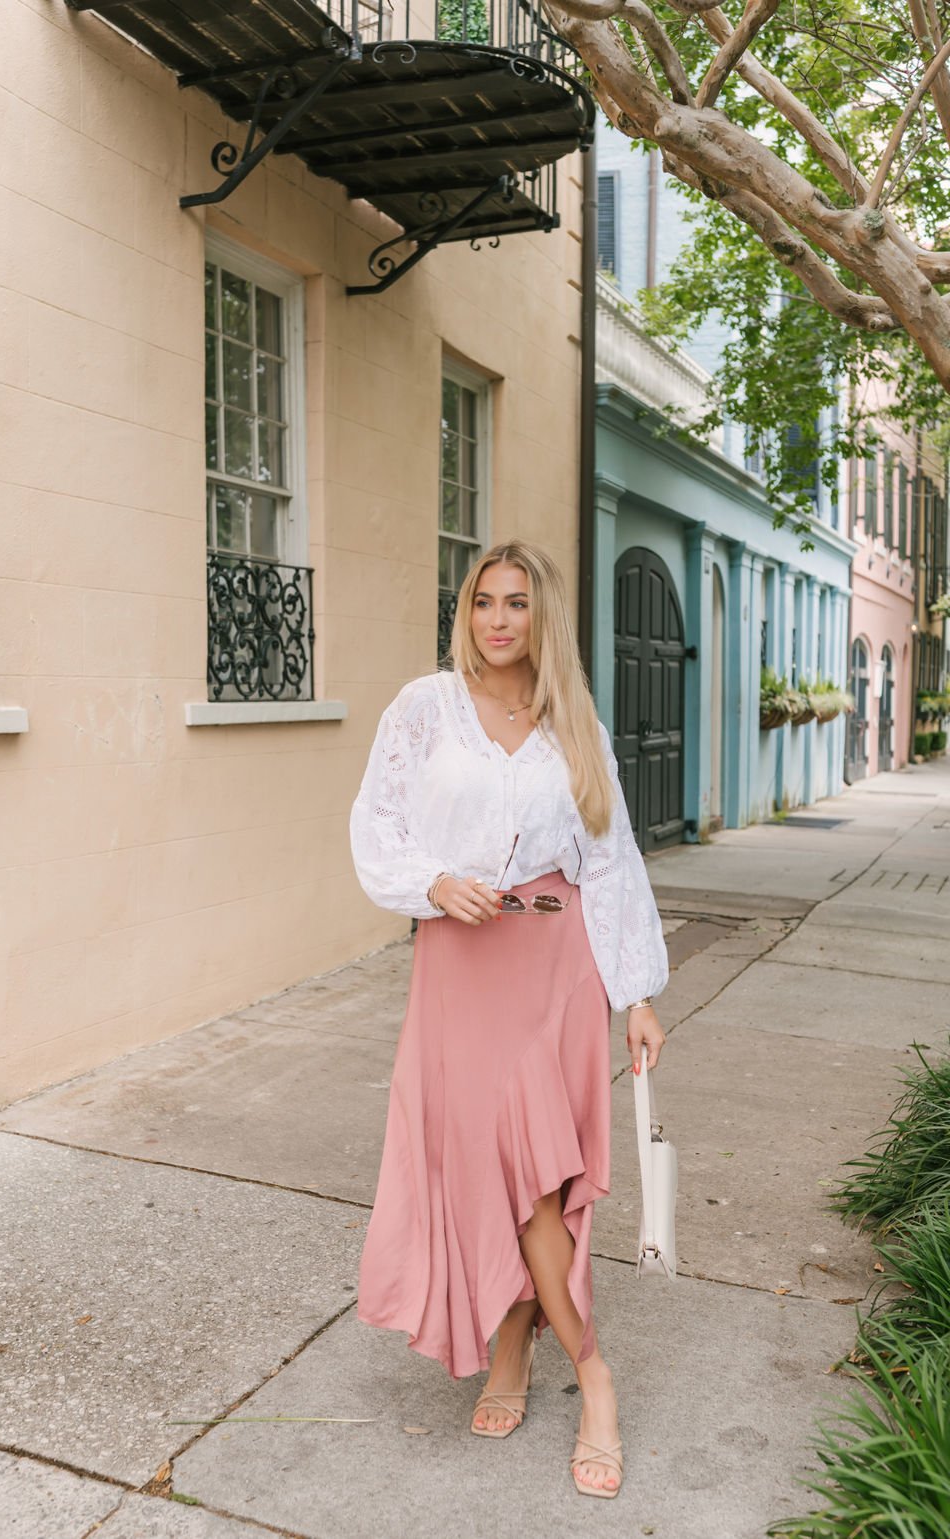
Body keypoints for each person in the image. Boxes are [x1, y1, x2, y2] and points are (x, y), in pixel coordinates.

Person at [349, 539, 668, 1500]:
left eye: (516, 602)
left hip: (552, 970)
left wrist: (636, 991)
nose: (497, 618)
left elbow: (610, 861)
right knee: (479, 1166)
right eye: (483, 600)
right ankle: (515, 1341)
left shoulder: (575, 723)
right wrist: (432, 882)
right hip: (459, 964)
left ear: (542, 617)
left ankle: (590, 1369)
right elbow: (377, 821)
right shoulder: (424, 708)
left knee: (532, 1182)